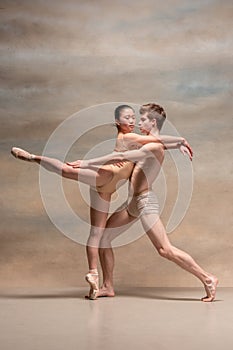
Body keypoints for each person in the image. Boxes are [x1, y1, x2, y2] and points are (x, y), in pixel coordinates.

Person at [11, 105, 190, 299]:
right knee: (66, 170)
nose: (133, 121)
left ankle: (96, 277)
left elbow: (156, 143)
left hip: (106, 189)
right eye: (128, 118)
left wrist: (178, 143)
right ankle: (32, 157)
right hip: (104, 177)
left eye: (134, 118)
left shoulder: (136, 139)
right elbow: (157, 141)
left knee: (98, 232)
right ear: (118, 122)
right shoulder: (129, 137)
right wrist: (180, 141)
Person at [75, 103, 218, 302]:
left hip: (144, 202)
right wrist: (179, 142)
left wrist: (87, 163)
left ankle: (207, 278)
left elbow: (122, 155)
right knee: (104, 238)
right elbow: (156, 141)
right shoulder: (150, 142)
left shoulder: (152, 146)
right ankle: (107, 286)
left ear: (153, 121)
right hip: (132, 203)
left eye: (142, 119)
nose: (137, 123)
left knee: (164, 249)